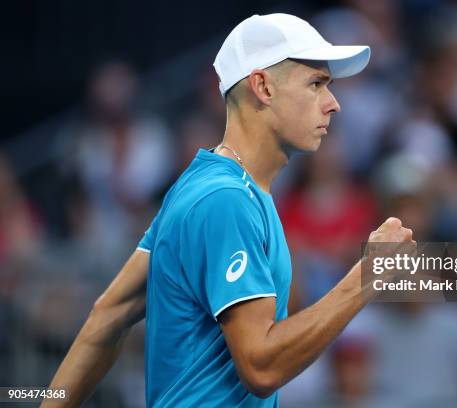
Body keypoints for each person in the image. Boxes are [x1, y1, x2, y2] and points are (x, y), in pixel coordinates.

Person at [44, 13, 414, 407]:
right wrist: (367, 277)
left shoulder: (202, 186)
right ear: (263, 87)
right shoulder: (225, 199)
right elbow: (261, 367)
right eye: (316, 84)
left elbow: (108, 315)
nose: (334, 104)